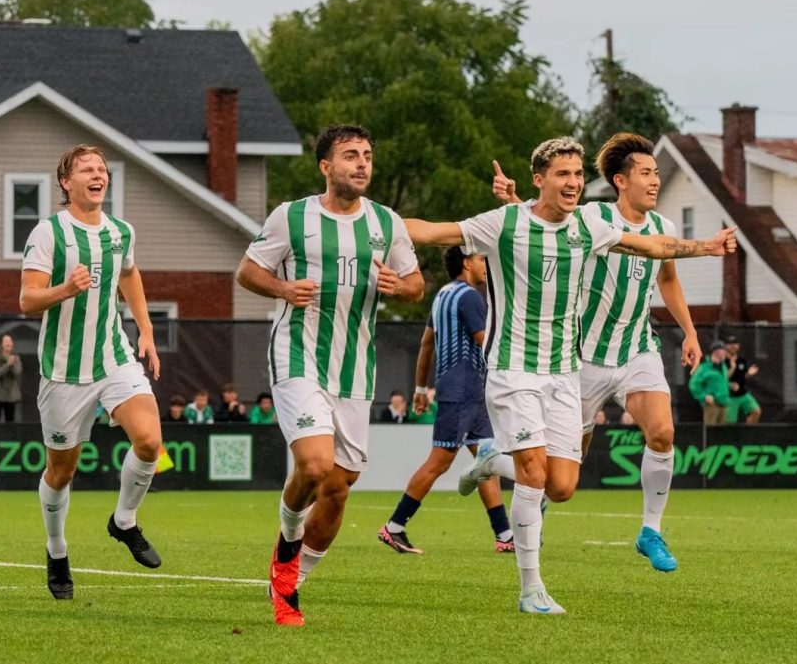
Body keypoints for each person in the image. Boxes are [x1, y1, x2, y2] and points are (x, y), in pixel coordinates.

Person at [406, 136, 735, 615]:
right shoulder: (506, 222)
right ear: (540, 179)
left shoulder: (586, 225)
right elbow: (435, 232)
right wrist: (377, 224)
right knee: (536, 474)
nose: (574, 183)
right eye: (563, 174)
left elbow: (652, 246)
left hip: (564, 371)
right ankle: (531, 589)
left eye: (578, 175)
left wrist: (705, 246)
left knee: (561, 486)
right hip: (515, 369)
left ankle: (492, 461)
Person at [237, 124, 424, 626]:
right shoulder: (292, 217)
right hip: (297, 356)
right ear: (326, 167)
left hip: (355, 369)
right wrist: (282, 289)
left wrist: (400, 287)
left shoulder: (386, 223)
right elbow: (247, 271)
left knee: (339, 488)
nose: (361, 163)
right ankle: (284, 559)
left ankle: (293, 577)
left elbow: (416, 283)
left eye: (366, 155)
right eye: (349, 156)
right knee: (315, 468)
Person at [491, 133, 705, 573]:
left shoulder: (663, 227)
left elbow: (667, 281)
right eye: (646, 173)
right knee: (563, 474)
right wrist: (515, 198)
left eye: (657, 173)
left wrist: (690, 332)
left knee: (662, 432)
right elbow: (544, 218)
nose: (655, 181)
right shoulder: (592, 215)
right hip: (582, 357)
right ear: (621, 181)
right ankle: (511, 479)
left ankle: (651, 531)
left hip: (637, 350)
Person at [20, 144, 164, 601]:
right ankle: (57, 549)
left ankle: (124, 521)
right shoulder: (49, 233)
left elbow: (130, 274)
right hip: (63, 370)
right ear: (67, 182)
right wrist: (66, 288)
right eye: (87, 169)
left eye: (101, 169)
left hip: (113, 357)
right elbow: (27, 300)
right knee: (61, 472)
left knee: (149, 440)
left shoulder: (120, 231)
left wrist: (145, 329)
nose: (97, 174)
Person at [379, 247, 515, 555]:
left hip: (466, 392)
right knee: (439, 461)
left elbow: (427, 343)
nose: (484, 265)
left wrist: (419, 389)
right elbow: (488, 343)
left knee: (486, 461)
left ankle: (505, 535)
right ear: (467, 263)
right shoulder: (469, 297)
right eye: (481, 259)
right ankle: (394, 526)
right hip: (464, 390)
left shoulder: (442, 295)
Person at [723, 336, 761, 424]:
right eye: (730, 344)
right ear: (725, 346)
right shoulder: (723, 361)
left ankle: (747, 434)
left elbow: (743, 377)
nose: (733, 346)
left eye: (735, 344)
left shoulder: (742, 360)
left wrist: (749, 374)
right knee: (730, 422)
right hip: (730, 397)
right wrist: (730, 385)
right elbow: (719, 378)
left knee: (755, 411)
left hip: (743, 394)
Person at [689, 343, 730, 425]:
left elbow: (721, 382)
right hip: (712, 403)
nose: (725, 353)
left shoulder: (723, 366)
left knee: (723, 431)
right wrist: (704, 396)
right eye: (723, 350)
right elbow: (693, 384)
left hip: (724, 402)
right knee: (710, 430)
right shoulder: (704, 367)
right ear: (716, 352)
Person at [0, 334, 24, 422]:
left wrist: (12, 363)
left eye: (10, 341)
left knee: (10, 421)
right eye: (6, 341)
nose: (8, 343)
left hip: (10, 395)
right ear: (1, 344)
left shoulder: (16, 358)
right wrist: (8, 364)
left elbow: (17, 372)